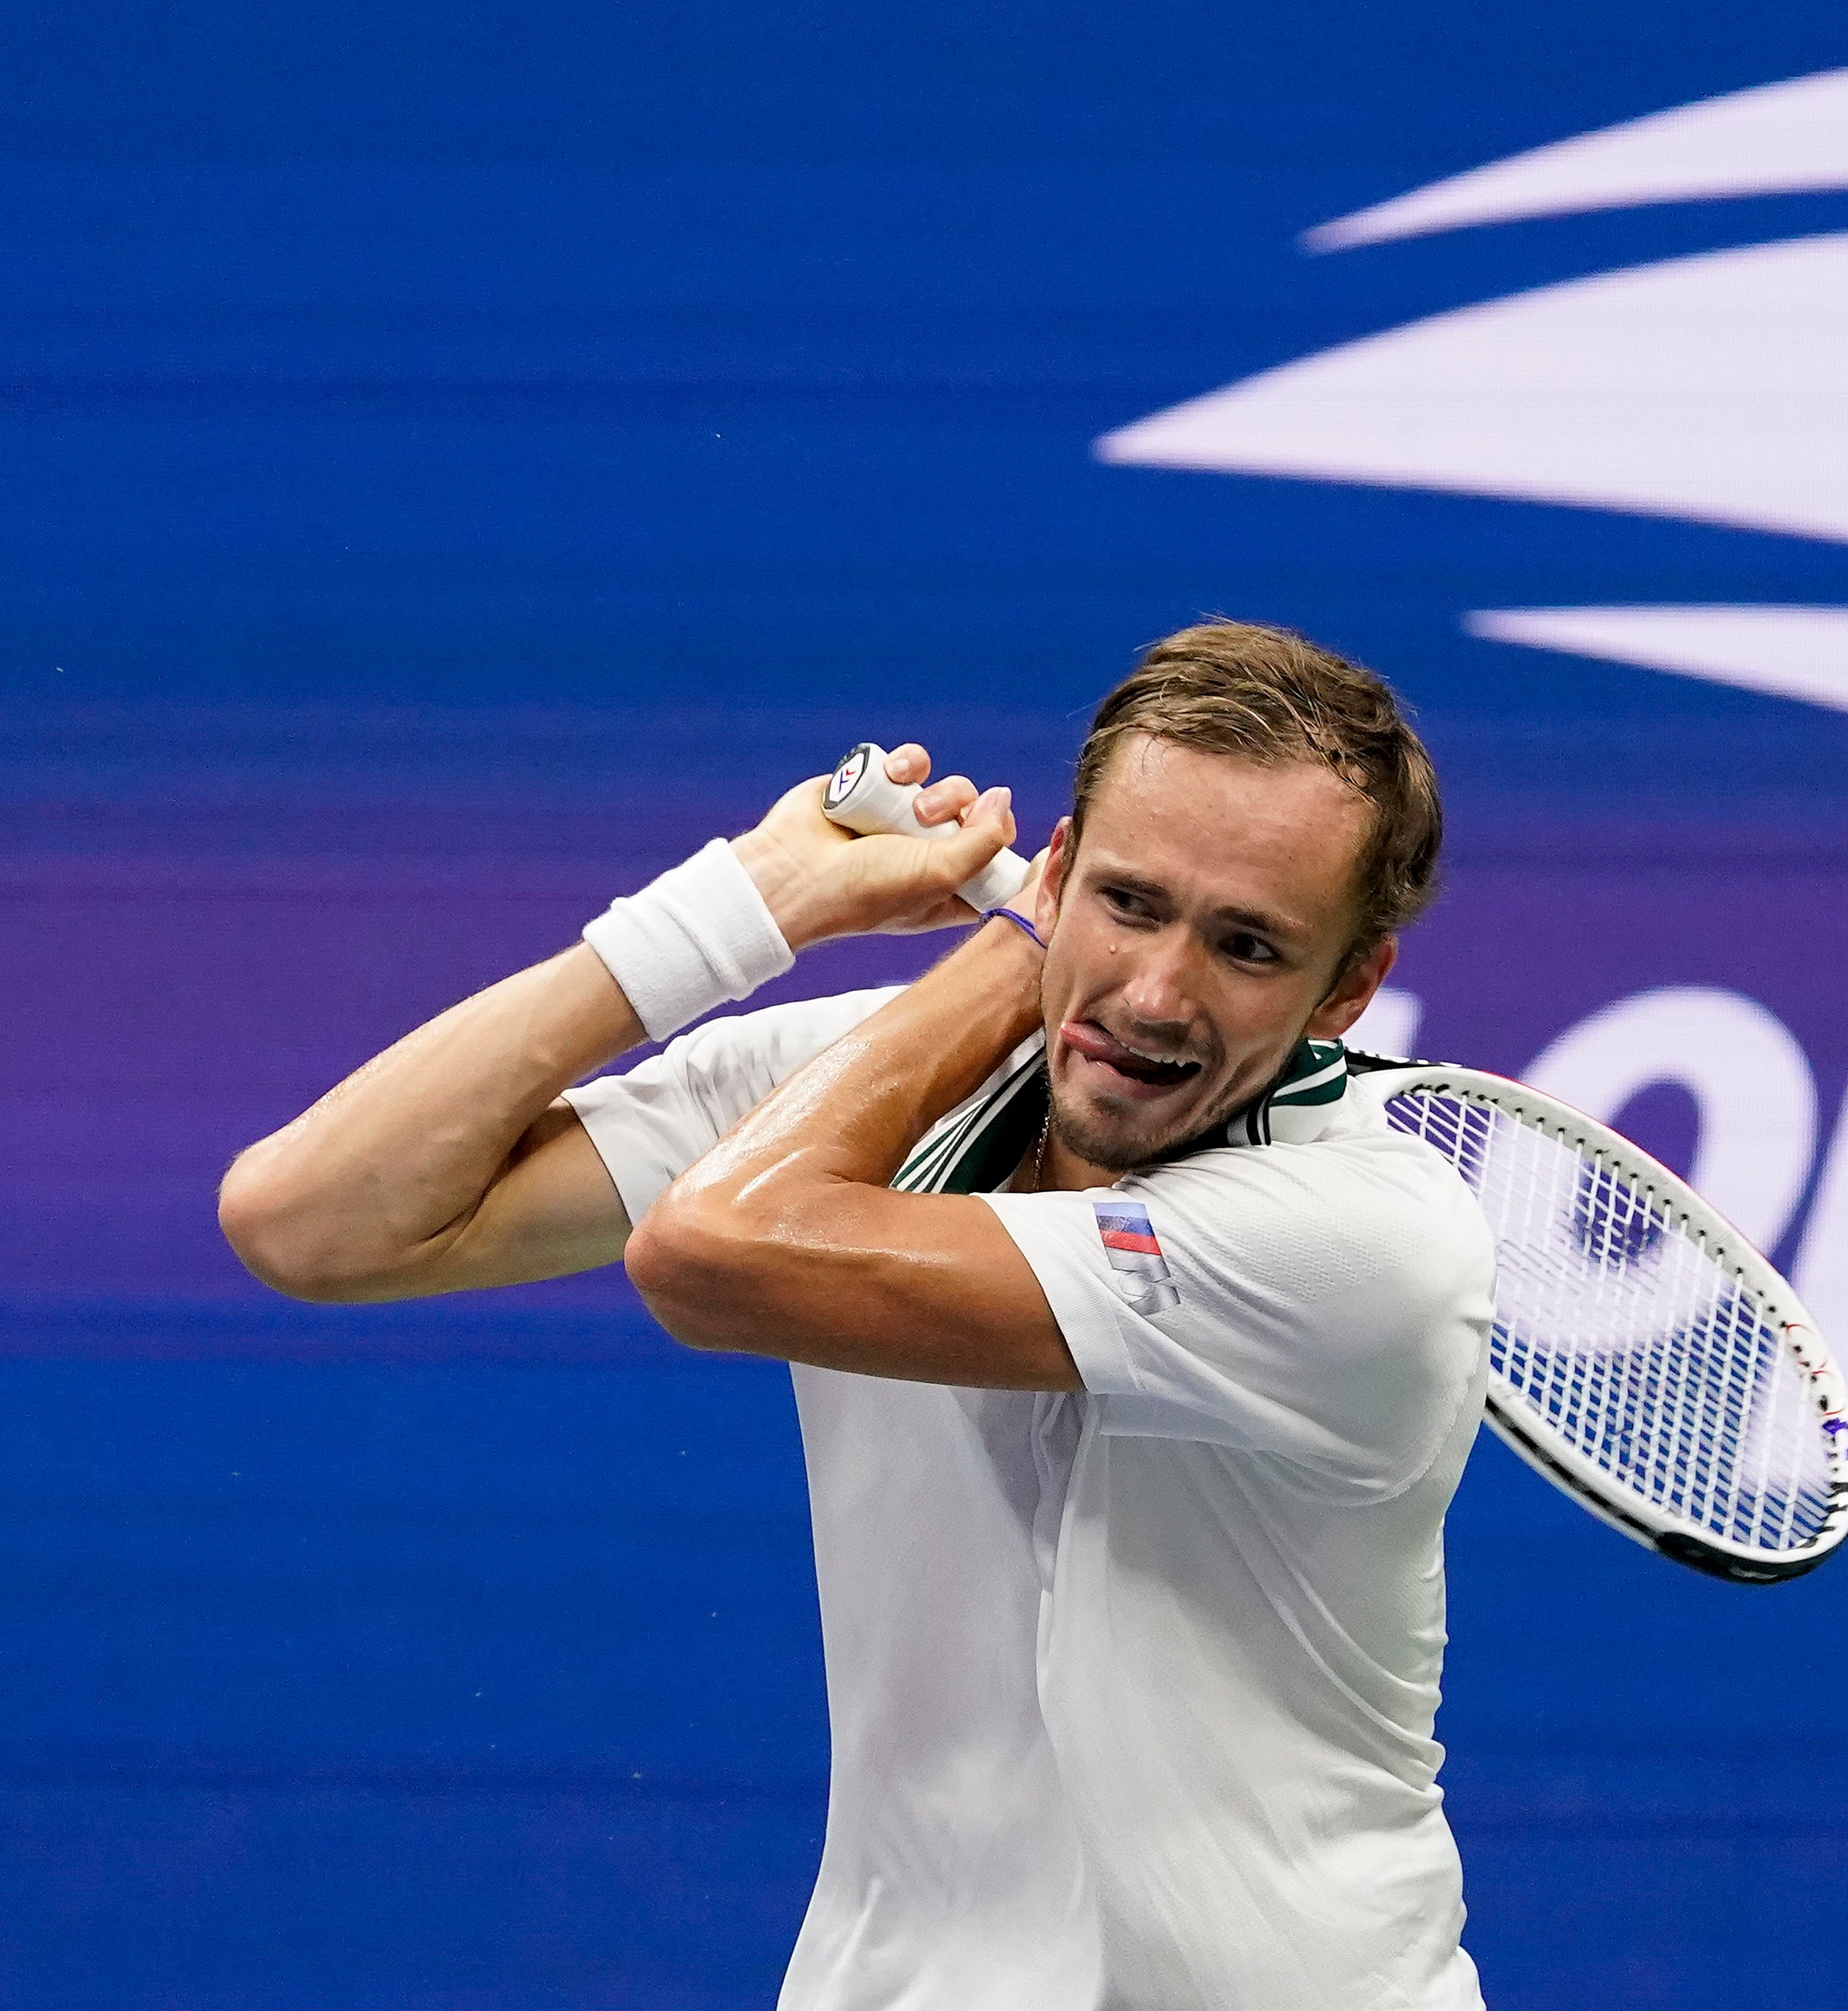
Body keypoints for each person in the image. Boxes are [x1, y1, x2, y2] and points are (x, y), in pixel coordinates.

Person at [218, 622, 1498, 2010]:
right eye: (1131, 901)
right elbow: (312, 1220)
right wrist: (748, 902)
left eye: (1247, 945)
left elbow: (712, 1252)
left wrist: (1025, 953)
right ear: (1062, 863)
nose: (1157, 994)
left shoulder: (1369, 1245)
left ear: (1350, 989)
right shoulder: (852, 1086)